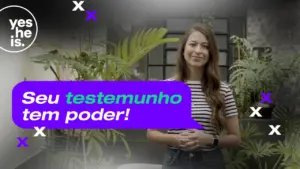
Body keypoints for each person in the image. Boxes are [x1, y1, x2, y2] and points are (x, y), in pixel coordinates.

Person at [147, 23, 241, 169]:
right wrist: (176, 139)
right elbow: (152, 133)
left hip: (211, 162)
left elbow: (235, 138)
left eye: (205, 46)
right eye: (193, 44)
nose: (198, 50)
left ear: (211, 53)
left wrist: (210, 139)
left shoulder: (223, 90)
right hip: (175, 160)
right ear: (184, 48)